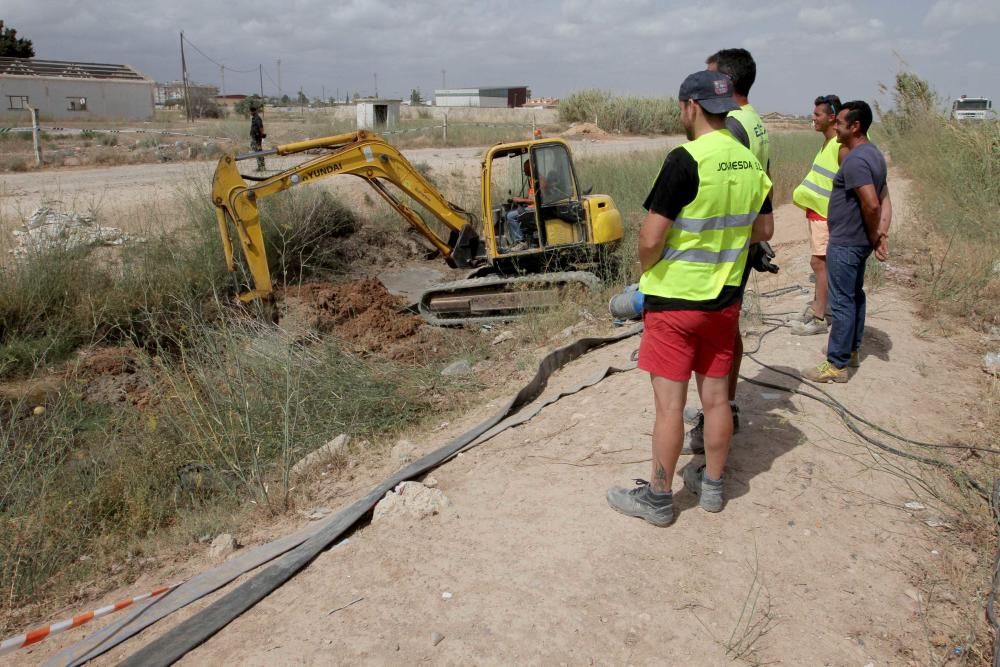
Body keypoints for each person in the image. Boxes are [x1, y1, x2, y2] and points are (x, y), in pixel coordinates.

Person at [606, 70, 774, 526]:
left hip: (675, 304)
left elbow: (649, 238)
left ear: (691, 107)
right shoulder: (751, 163)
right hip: (723, 302)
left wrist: (648, 272)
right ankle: (714, 488)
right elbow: (764, 230)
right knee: (717, 400)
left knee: (669, 407)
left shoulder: (685, 160)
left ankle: (659, 499)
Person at [682, 47, 770, 455]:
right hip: (743, 240)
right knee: (726, 329)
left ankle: (718, 412)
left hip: (723, 248)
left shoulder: (731, 126)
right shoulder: (757, 124)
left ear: (726, 82)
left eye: (710, 76)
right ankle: (723, 406)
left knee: (716, 337)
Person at [802, 100, 889, 383]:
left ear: (855, 126)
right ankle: (851, 351)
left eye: (840, 123)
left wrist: (876, 233)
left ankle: (836, 364)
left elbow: (873, 204)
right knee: (854, 296)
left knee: (841, 302)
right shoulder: (873, 154)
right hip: (858, 240)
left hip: (847, 241)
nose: (835, 127)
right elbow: (884, 199)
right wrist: (878, 236)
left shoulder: (855, 160)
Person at [789, 95, 848, 336]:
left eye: (817, 115)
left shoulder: (839, 146)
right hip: (819, 213)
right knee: (821, 264)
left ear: (831, 117)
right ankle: (820, 306)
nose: (813, 118)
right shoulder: (828, 142)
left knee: (819, 264)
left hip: (827, 215)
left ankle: (820, 317)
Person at [505, 158, 535, 251]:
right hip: (531, 207)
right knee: (510, 211)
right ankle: (516, 241)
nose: (524, 170)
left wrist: (519, 200)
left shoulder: (536, 180)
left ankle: (521, 242)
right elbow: (531, 197)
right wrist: (521, 200)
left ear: (531, 168)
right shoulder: (532, 180)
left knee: (510, 216)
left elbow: (533, 201)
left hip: (534, 209)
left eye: (525, 168)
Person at [249, 106, 266, 172]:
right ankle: (260, 166)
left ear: (254, 111)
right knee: (256, 151)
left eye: (251, 111)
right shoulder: (254, 118)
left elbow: (261, 128)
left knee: (259, 152)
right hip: (254, 138)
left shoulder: (257, 118)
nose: (250, 113)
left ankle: (262, 167)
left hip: (257, 139)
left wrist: (262, 135)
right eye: (250, 111)